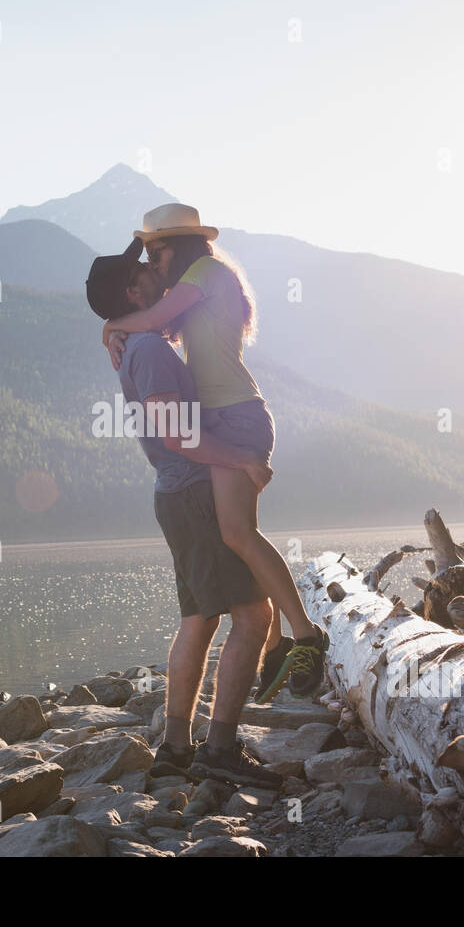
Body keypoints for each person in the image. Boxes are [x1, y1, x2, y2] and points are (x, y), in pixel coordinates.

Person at [101, 204, 328, 699]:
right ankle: (274, 642)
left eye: (156, 252)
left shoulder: (206, 270)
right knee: (239, 538)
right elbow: (157, 326)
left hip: (237, 417)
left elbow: (154, 318)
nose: (153, 262)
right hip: (226, 418)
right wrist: (117, 326)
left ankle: (306, 637)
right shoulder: (195, 288)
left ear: (180, 246)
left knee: (239, 534)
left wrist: (109, 327)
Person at [86, 239, 280, 788]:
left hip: (176, 496)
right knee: (254, 617)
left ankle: (175, 747)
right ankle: (218, 751)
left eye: (151, 259)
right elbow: (177, 436)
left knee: (198, 620)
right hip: (194, 493)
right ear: (132, 290)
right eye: (141, 269)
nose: (151, 270)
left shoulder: (138, 341)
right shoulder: (146, 351)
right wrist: (241, 456)